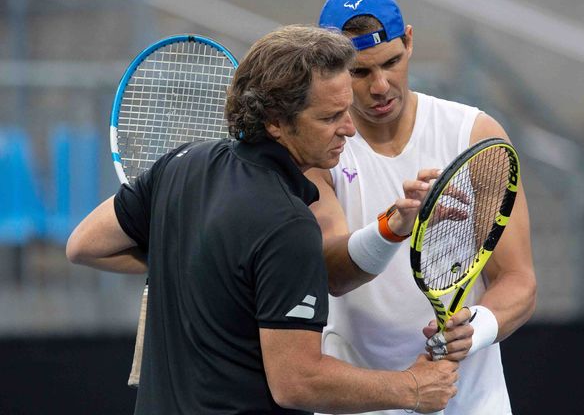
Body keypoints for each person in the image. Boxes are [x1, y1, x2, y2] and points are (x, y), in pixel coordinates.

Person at [66, 25, 458, 415]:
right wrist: (412, 388)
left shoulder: (181, 165)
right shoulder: (289, 226)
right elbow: (298, 381)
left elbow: (84, 245)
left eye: (347, 111)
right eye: (330, 117)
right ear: (275, 122)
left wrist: (197, 267)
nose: (349, 129)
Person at [309, 0, 537, 414]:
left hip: (471, 402)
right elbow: (333, 272)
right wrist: (391, 227)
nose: (381, 86)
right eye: (359, 72)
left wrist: (477, 328)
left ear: (409, 41)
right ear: (329, 69)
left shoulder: (475, 135)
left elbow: (518, 281)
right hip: (360, 401)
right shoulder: (317, 150)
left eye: (392, 62)